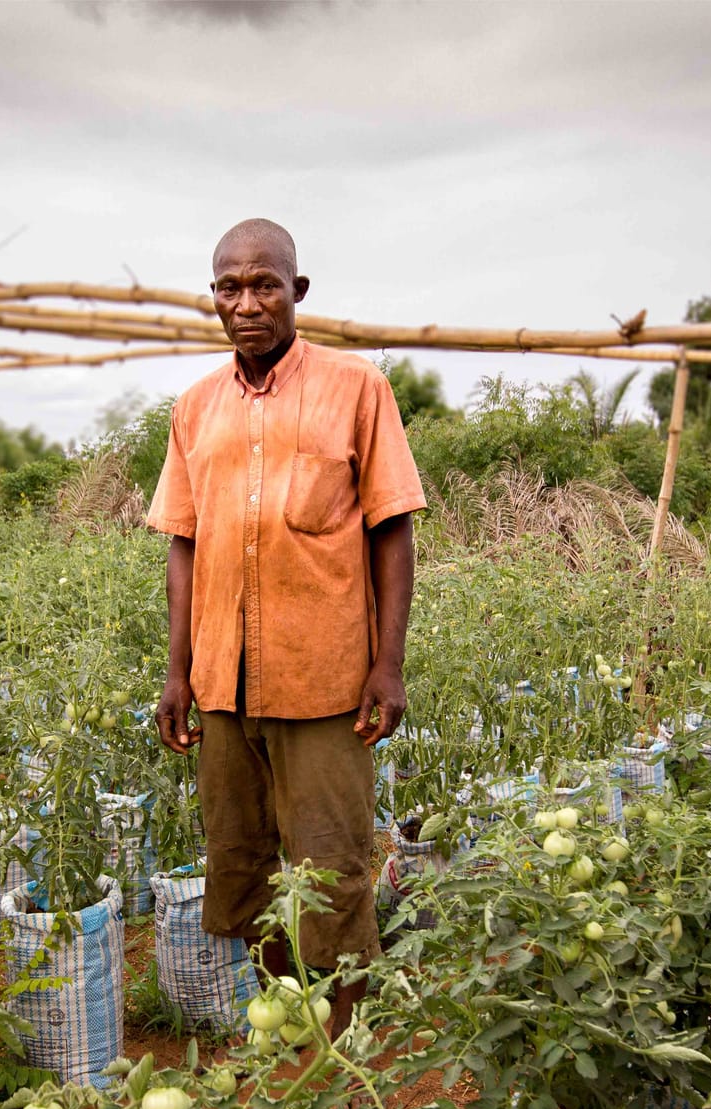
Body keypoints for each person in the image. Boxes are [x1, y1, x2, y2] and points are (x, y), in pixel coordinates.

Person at [148, 218, 424, 1039]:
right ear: (214, 299)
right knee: (245, 865)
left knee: (331, 867)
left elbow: (393, 529)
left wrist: (389, 664)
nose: (247, 301)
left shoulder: (356, 387)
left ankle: (343, 1049)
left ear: (298, 292)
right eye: (229, 287)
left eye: (264, 283)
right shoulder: (195, 409)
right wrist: (177, 672)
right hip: (224, 684)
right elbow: (183, 544)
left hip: (323, 679)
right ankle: (284, 1028)